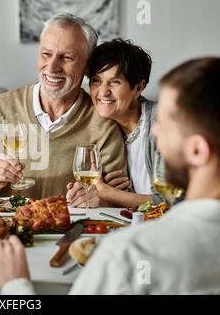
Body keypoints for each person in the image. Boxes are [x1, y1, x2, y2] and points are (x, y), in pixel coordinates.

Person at [0, 57, 220, 294]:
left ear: (197, 150)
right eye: (96, 80)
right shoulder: (115, 129)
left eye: (164, 123)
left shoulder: (127, 254)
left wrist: (14, 283)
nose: (155, 128)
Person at [0, 13, 127, 201]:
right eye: (46, 54)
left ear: (87, 67)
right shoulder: (3, 106)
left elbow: (119, 198)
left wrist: (99, 200)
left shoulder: (102, 120)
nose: (51, 67)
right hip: (8, 228)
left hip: (71, 228)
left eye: (66, 57)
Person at [66, 38, 169, 209]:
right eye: (96, 80)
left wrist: (106, 192)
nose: (103, 92)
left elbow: (169, 202)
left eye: (114, 82)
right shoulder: (104, 128)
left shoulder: (163, 123)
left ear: (138, 88)